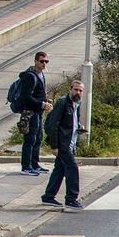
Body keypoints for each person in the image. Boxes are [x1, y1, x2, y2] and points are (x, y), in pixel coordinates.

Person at [41, 80, 86, 210]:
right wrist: (54, 146)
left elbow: (70, 122)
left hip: (70, 143)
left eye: (80, 90)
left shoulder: (76, 104)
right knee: (72, 168)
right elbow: (52, 125)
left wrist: (78, 127)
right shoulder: (62, 103)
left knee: (59, 169)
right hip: (63, 144)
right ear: (70, 90)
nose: (78, 92)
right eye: (76, 89)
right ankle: (71, 199)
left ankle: (48, 196)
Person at [16, 51, 52, 176]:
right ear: (35, 61)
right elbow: (26, 96)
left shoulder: (41, 75)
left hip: (38, 112)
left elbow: (38, 94)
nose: (44, 64)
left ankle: (34, 163)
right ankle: (26, 166)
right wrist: (42, 104)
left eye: (46, 61)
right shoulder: (30, 76)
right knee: (30, 139)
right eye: (42, 61)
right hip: (30, 112)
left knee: (38, 138)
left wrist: (45, 103)